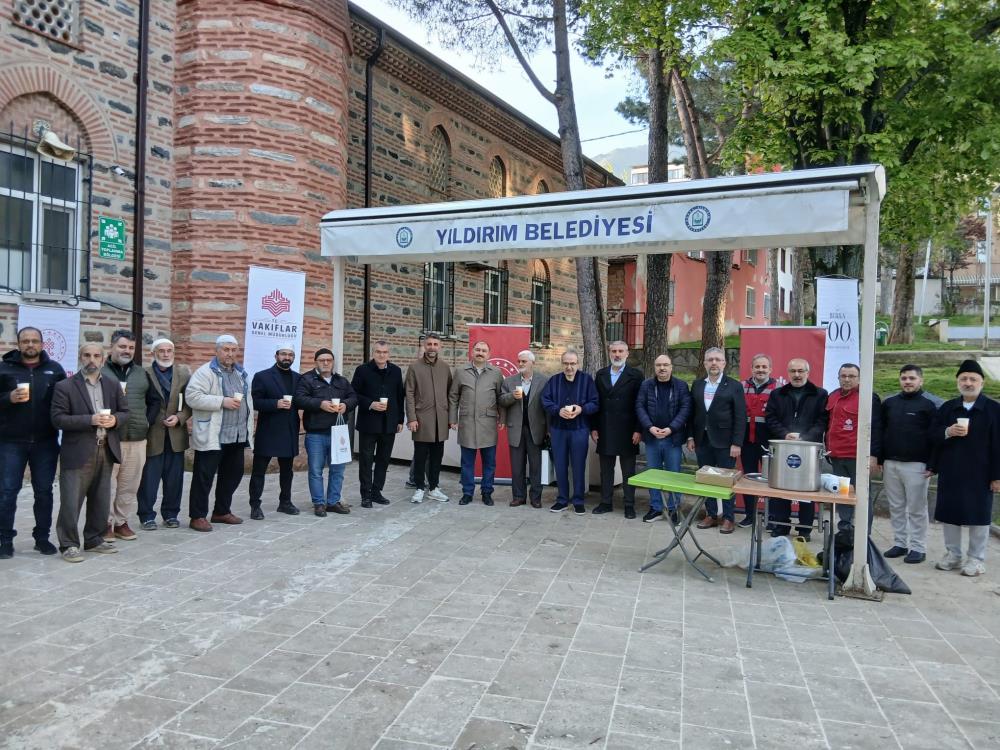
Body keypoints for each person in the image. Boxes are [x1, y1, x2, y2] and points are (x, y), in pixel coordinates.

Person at [51, 343, 128, 562]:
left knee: (101, 499)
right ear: (80, 358)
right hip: (78, 451)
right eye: (87, 355)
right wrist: (90, 420)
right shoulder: (65, 386)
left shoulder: (113, 385)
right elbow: (57, 419)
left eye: (96, 355)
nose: (91, 360)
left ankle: (94, 539)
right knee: (71, 501)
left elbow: (125, 412)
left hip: (106, 449)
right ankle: (68, 544)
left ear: (103, 359)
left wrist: (115, 420)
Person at [928, 359, 1000, 577]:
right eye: (964, 379)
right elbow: (932, 435)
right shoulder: (948, 407)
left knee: (979, 516)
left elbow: (999, 444)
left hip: (981, 472)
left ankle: (976, 559)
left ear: (982, 382)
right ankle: (953, 555)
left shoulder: (994, 409)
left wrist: (997, 476)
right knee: (949, 514)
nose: (968, 383)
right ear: (957, 382)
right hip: (951, 470)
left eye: (973, 379)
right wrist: (948, 432)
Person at [0, 327, 66, 558]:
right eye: (26, 341)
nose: (30, 345)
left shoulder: (55, 370)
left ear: (42, 344)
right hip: (10, 442)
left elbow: (63, 403)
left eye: (35, 341)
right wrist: (8, 398)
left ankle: (42, 538)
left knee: (44, 492)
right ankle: (5, 540)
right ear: (18, 344)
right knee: (7, 492)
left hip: (45, 442)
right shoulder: (4, 368)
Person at [185, 334, 255, 531]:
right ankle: (197, 516)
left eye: (233, 350)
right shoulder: (205, 372)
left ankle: (221, 511)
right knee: (203, 477)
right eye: (226, 349)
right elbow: (192, 397)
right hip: (214, 435)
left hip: (237, 435)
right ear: (217, 351)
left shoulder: (241, 373)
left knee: (232, 475)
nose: (230, 354)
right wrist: (221, 401)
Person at [879, 364, 942, 564]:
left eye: (912, 378)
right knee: (896, 507)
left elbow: (935, 437)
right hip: (891, 463)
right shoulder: (889, 403)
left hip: (917, 466)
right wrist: (880, 459)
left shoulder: (929, 405)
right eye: (904, 378)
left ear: (920, 381)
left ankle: (918, 547)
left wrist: (933, 464)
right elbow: (881, 432)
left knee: (917, 509)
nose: (907, 382)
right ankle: (900, 543)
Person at [103, 329, 162, 542]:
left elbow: (155, 400)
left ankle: (121, 522)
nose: (126, 351)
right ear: (112, 346)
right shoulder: (101, 371)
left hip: (136, 438)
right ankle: (104, 524)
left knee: (129, 485)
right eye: (122, 346)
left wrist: (147, 420)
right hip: (108, 438)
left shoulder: (141, 373)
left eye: (130, 347)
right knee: (107, 485)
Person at [764, 358, 828, 539]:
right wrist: (785, 434)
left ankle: (805, 529)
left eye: (801, 371)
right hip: (783, 446)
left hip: (808, 449)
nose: (797, 375)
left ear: (808, 372)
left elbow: (822, 420)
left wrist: (804, 437)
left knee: (805, 490)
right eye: (793, 371)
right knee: (780, 488)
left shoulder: (820, 394)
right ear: (788, 372)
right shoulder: (777, 394)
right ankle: (780, 526)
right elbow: (770, 418)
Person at [688, 347, 746, 534]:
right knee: (707, 479)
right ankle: (712, 514)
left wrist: (737, 443)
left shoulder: (734, 386)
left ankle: (729, 517)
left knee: (726, 480)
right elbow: (693, 414)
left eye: (717, 360)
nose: (713, 363)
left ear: (724, 363)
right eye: (710, 360)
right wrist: (690, 436)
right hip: (702, 440)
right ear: (704, 363)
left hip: (726, 442)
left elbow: (740, 416)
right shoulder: (697, 385)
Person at [137, 338, 192, 530]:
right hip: (153, 433)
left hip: (176, 433)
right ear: (154, 353)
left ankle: (171, 514)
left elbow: (189, 403)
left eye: (170, 351)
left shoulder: (183, 373)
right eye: (161, 351)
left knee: (174, 478)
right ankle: (146, 515)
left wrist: (180, 417)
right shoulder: (143, 373)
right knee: (149, 479)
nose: (166, 354)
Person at [295, 348, 355, 517]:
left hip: (338, 433)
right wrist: (320, 403)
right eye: (322, 360)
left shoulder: (341, 381)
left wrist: (346, 405)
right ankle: (319, 503)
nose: (326, 363)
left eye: (329, 360)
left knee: (338, 470)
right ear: (316, 362)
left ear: (333, 362)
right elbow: (299, 399)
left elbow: (353, 397)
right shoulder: (307, 379)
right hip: (316, 433)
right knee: (316, 470)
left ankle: (333, 502)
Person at [825, 363, 882, 532]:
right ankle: (845, 528)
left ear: (859, 378)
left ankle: (865, 532)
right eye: (843, 376)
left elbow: (877, 428)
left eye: (851, 376)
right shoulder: (833, 396)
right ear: (838, 378)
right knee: (843, 494)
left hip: (857, 457)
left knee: (862, 495)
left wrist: (874, 455)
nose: (847, 379)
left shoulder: (868, 397)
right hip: (837, 456)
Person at [635, 353, 691, 524]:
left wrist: (671, 429)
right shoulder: (646, 385)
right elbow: (639, 406)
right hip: (652, 438)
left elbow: (685, 408)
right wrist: (650, 427)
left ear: (671, 367)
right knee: (653, 474)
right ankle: (656, 508)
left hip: (672, 439)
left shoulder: (681, 386)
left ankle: (674, 509)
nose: (662, 368)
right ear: (654, 367)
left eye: (666, 365)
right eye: (659, 365)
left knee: (674, 475)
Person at [541, 348, 599, 514]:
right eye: (566, 363)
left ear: (578, 364)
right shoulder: (554, 380)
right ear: (562, 364)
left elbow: (595, 403)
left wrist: (581, 409)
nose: (569, 367)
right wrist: (557, 410)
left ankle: (578, 500)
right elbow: (545, 400)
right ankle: (562, 500)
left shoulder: (587, 380)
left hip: (579, 429)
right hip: (558, 429)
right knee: (560, 465)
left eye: (572, 363)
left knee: (579, 466)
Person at [590, 340, 643, 518]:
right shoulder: (601, 374)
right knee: (606, 469)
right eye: (614, 351)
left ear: (627, 353)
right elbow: (596, 403)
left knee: (628, 470)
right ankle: (606, 502)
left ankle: (629, 504)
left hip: (628, 430)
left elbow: (639, 405)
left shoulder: (635, 375)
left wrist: (638, 430)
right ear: (609, 353)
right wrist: (594, 428)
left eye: (621, 351)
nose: (617, 354)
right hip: (605, 428)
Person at [248, 346, 302, 520]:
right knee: (259, 471)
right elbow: (254, 402)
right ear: (276, 356)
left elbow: (303, 400)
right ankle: (255, 505)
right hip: (268, 430)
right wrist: (275, 404)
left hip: (289, 430)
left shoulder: (298, 378)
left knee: (287, 471)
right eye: (284, 354)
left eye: (290, 355)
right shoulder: (262, 376)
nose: (287, 357)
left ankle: (285, 502)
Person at [450, 340, 504, 506]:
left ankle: (487, 492)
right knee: (467, 462)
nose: (480, 353)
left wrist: (502, 418)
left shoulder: (496, 372)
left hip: (488, 424)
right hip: (467, 423)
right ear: (472, 352)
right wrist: (453, 419)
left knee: (489, 463)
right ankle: (467, 493)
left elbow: (501, 397)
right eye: (478, 350)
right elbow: (453, 396)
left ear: (489, 354)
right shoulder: (460, 371)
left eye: (484, 350)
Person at [352, 340, 405, 508]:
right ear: (372, 353)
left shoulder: (396, 371)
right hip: (369, 422)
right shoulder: (362, 370)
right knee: (366, 460)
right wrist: (370, 403)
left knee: (383, 459)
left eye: (385, 352)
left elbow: (399, 396)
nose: (382, 355)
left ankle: (377, 491)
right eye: (378, 352)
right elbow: (353, 394)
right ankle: (365, 494)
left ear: (388, 354)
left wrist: (400, 420)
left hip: (389, 423)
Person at [405, 333, 452, 504]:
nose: (432, 347)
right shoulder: (414, 367)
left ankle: (434, 487)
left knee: (437, 456)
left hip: (441, 420)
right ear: (424, 346)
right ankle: (418, 487)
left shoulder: (445, 368)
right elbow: (409, 393)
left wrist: (450, 417)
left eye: (435, 344)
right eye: (429, 344)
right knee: (420, 455)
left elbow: (450, 394)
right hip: (421, 419)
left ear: (440, 347)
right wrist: (411, 418)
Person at [499, 350, 548, 509]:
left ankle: (536, 497)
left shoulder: (544, 381)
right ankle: (518, 497)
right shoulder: (509, 381)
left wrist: (549, 429)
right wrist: (512, 396)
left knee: (536, 466)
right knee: (517, 466)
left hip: (536, 430)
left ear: (532, 363)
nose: (520, 364)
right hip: (516, 429)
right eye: (519, 361)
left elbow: (547, 406)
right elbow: (501, 401)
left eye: (524, 361)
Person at [739, 354, 777, 528]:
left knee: (772, 481)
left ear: (770, 369)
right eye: (757, 367)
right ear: (751, 369)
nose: (760, 370)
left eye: (764, 367)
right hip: (748, 442)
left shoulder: (779, 388)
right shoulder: (742, 387)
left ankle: (772, 519)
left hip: (770, 444)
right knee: (749, 480)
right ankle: (749, 516)